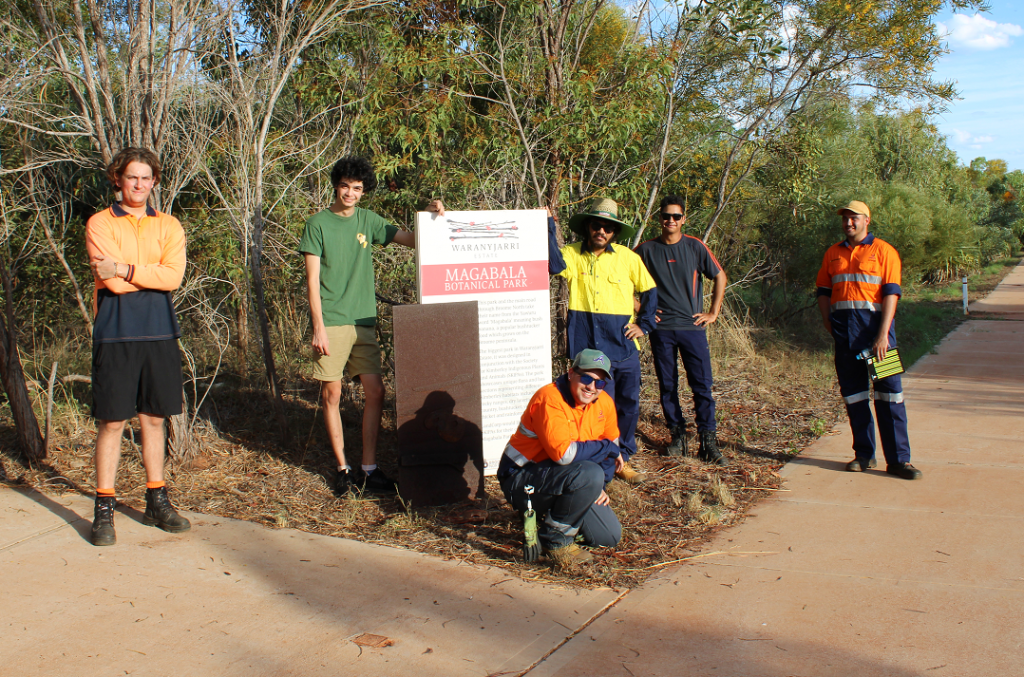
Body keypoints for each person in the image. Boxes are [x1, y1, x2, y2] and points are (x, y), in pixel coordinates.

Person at [300, 156, 444, 496]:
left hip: (364, 320)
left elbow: (411, 239)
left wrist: (434, 216)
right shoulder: (317, 224)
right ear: (336, 185)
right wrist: (318, 327)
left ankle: (368, 468)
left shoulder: (368, 220)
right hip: (333, 320)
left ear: (365, 191)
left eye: (358, 188)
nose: (350, 193)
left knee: (376, 392)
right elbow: (312, 282)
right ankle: (342, 470)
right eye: (346, 186)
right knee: (331, 393)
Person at [84, 147, 191, 546]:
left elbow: (172, 277)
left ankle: (156, 499)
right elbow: (109, 283)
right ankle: (104, 507)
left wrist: (127, 269)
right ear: (118, 179)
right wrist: (146, 275)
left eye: (146, 178)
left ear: (154, 182)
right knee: (112, 421)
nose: (140, 185)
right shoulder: (99, 223)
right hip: (116, 331)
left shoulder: (169, 225)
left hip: (159, 331)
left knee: (154, 419)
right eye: (133, 177)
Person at [548, 198, 657, 485]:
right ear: (588, 227)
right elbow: (554, 265)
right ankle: (597, 460)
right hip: (590, 349)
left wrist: (643, 325)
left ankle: (624, 458)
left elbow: (650, 290)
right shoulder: (572, 253)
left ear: (614, 233)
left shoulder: (627, 257)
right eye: (597, 225)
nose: (601, 231)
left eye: (608, 227)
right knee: (593, 408)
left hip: (623, 348)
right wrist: (548, 225)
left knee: (628, 405)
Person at [816, 200, 921, 480]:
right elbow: (823, 292)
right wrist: (829, 323)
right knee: (855, 397)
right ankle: (863, 455)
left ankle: (899, 461)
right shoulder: (832, 254)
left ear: (866, 221)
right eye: (845, 219)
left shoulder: (884, 251)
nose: (849, 223)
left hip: (878, 339)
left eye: (854, 218)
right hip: (845, 338)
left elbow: (891, 295)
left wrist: (883, 334)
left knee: (890, 396)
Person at [497, 349, 625, 567]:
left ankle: (553, 517)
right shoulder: (549, 399)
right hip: (522, 479)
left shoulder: (603, 403)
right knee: (589, 474)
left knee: (608, 537)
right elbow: (564, 455)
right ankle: (555, 540)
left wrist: (600, 484)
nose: (592, 387)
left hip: (567, 476)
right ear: (570, 373)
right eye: (586, 378)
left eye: (600, 383)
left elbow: (611, 448)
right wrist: (604, 453)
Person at [634, 196, 727, 465]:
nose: (670, 221)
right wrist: (643, 310)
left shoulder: (695, 247)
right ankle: (678, 437)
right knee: (668, 386)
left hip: (692, 328)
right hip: (662, 330)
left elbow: (719, 275)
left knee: (702, 386)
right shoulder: (645, 250)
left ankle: (708, 442)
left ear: (683, 219)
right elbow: (621, 277)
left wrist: (714, 312)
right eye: (666, 216)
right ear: (659, 219)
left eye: (676, 216)